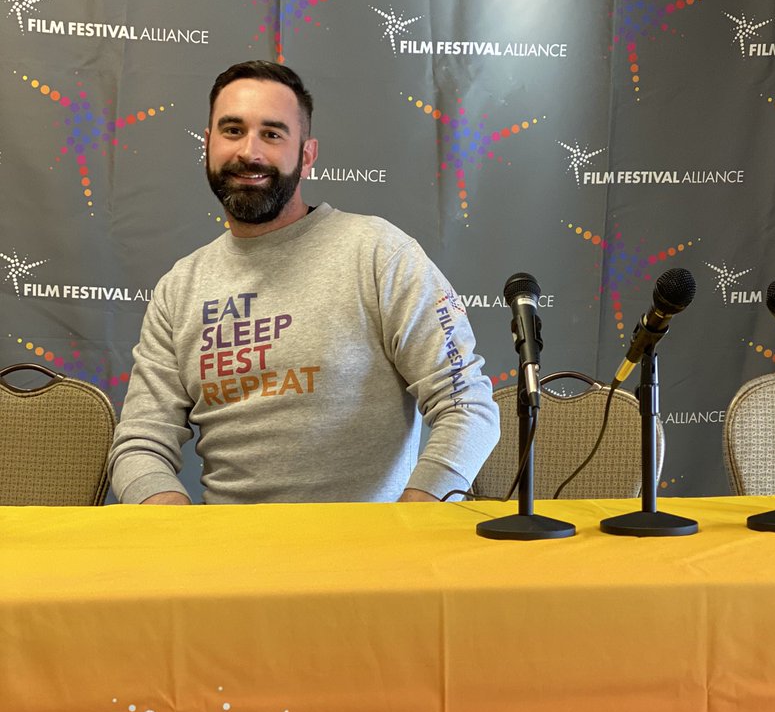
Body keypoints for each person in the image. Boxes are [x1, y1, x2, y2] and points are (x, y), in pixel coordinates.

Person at [108, 60, 500, 504]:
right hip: (227, 544)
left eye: (272, 134)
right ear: (208, 144)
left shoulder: (379, 253)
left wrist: (410, 521)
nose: (249, 152)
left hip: (369, 545)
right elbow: (139, 444)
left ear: (307, 156)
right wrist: (176, 526)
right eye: (232, 130)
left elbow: (467, 405)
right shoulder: (179, 288)